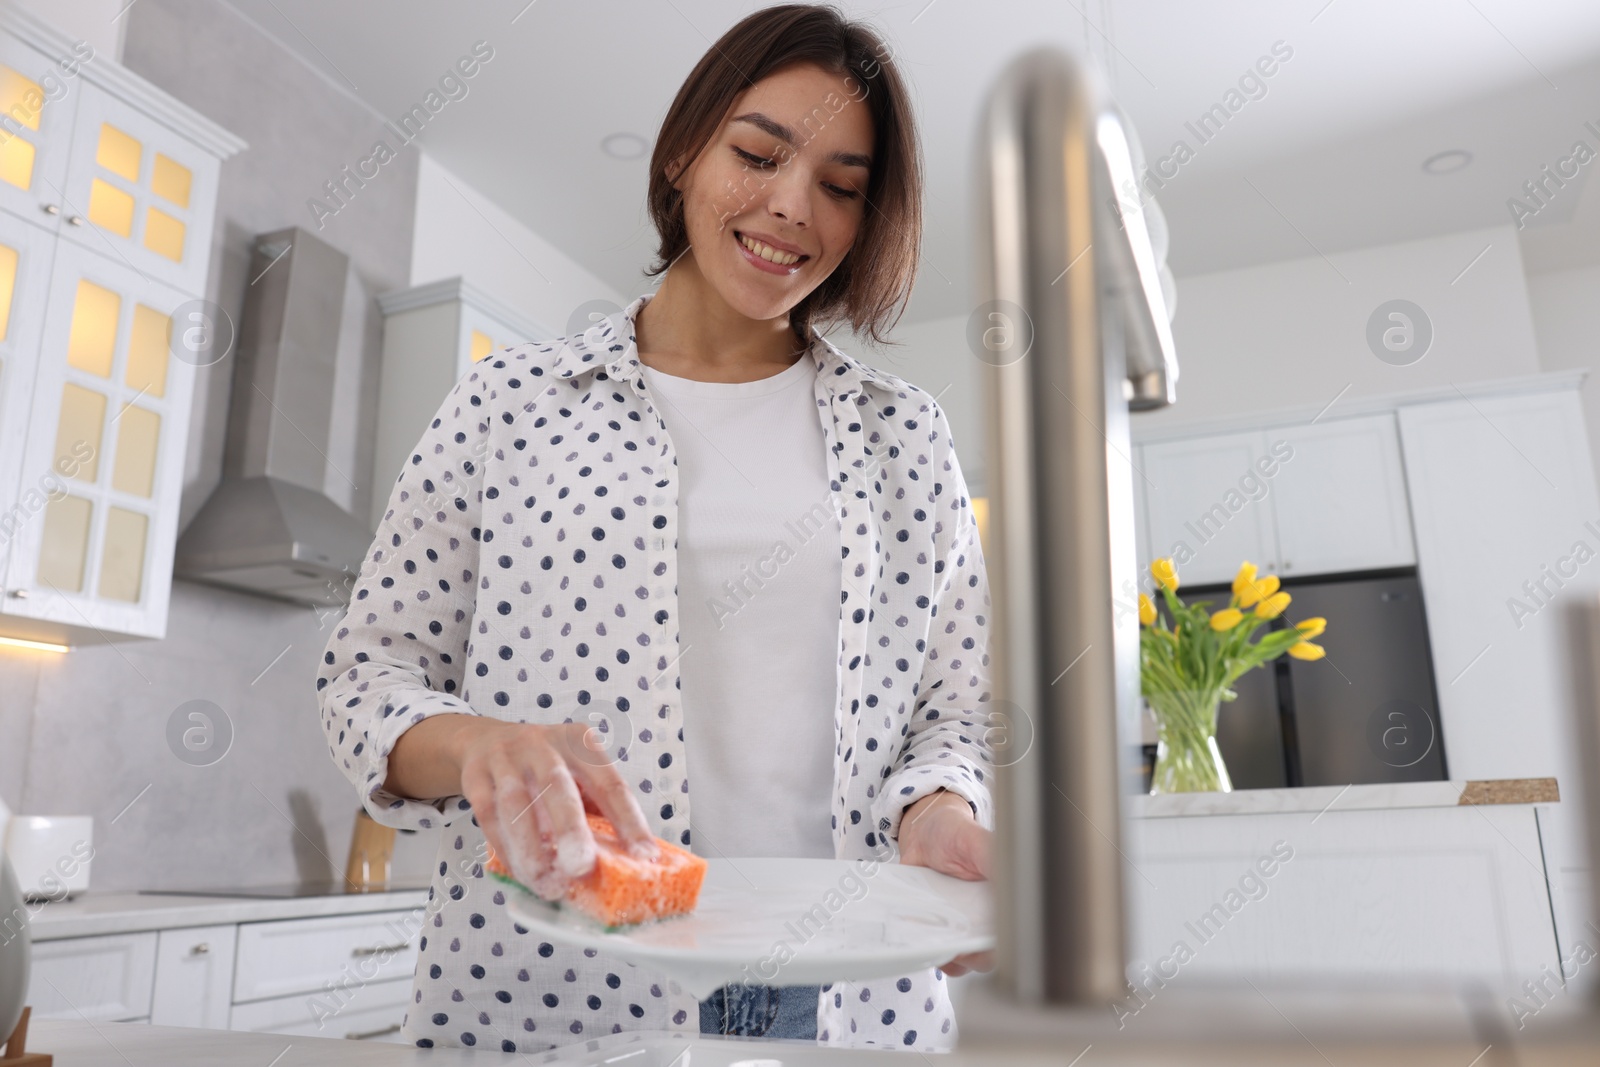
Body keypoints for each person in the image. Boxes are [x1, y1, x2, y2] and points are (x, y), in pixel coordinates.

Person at [317, 3, 995, 1053]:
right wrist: (486, 746)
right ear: (684, 150)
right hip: (556, 977)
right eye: (757, 154)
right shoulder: (511, 404)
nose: (789, 207)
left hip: (842, 982)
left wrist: (940, 810)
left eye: (840, 187)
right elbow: (367, 678)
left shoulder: (904, 436)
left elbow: (956, 708)